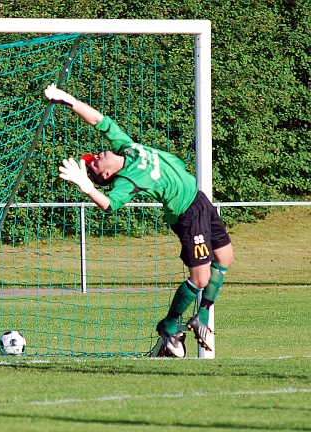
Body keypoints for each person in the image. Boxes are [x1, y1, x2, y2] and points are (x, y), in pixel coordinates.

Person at [45, 84, 234, 358]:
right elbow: (110, 204)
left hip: (200, 200)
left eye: (94, 157)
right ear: (107, 175)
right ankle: (168, 325)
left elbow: (100, 121)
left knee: (225, 257)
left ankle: (200, 317)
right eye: (94, 163)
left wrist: (68, 100)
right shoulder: (126, 180)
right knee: (201, 278)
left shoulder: (127, 148)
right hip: (188, 215)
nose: (97, 156)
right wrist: (85, 185)